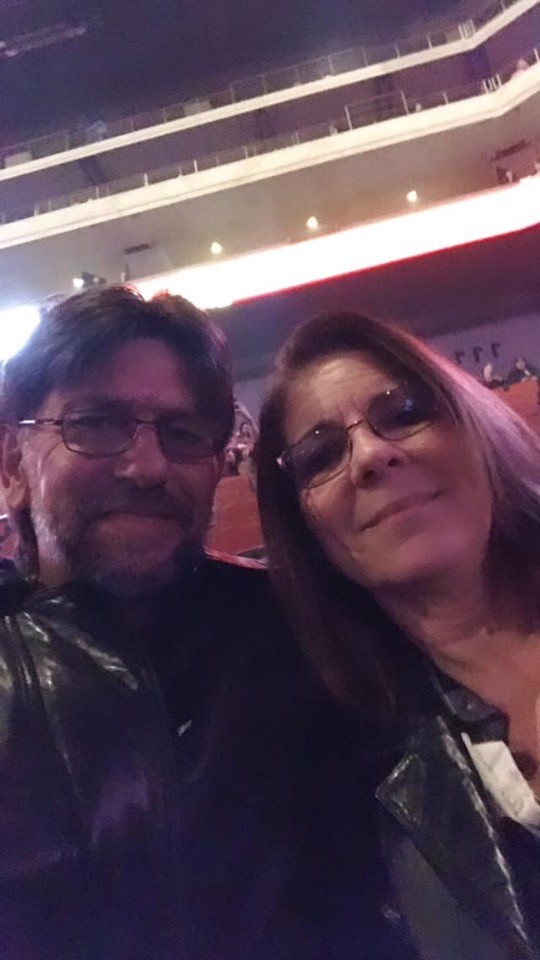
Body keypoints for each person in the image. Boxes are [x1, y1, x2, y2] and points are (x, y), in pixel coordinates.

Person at [257, 310, 540, 959]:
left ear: (475, 425)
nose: (370, 455)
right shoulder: (325, 778)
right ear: (305, 531)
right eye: (321, 455)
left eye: (404, 411)